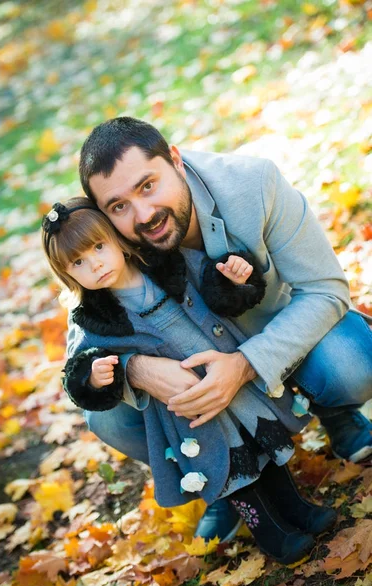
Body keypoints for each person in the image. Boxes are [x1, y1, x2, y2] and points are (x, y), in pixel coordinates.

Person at [73, 117, 372, 542]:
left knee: (350, 363)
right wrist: (135, 369)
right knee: (107, 419)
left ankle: (334, 410)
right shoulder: (108, 244)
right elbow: (79, 341)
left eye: (148, 185)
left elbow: (325, 290)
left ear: (175, 160)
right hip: (191, 382)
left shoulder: (254, 184)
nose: (143, 215)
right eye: (118, 206)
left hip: (278, 341)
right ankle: (214, 473)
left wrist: (245, 364)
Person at [42, 197, 337, 565]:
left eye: (99, 247)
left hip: (232, 382)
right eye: (79, 263)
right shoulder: (97, 319)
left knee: (260, 443)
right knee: (227, 462)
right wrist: (96, 375)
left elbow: (215, 285)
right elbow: (78, 368)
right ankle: (269, 530)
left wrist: (232, 279)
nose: (95, 264)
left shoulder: (168, 264)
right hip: (189, 413)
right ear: (69, 276)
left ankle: (297, 509)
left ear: (117, 239)